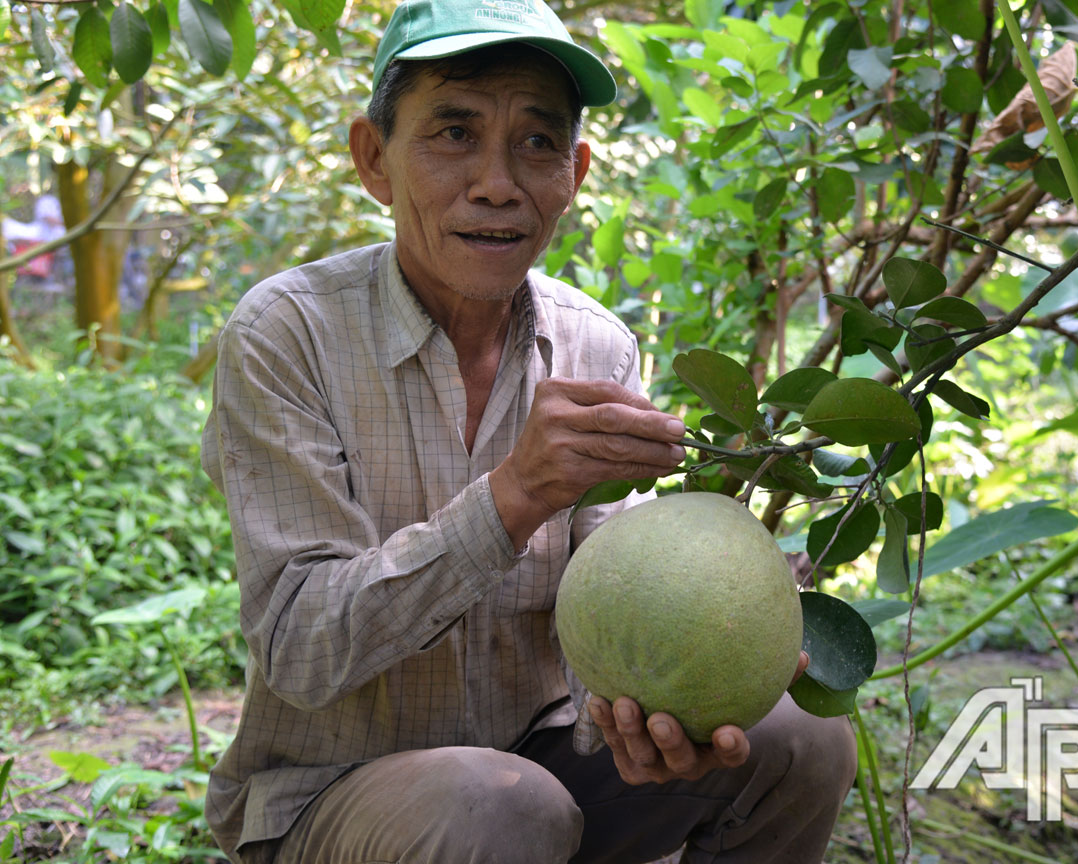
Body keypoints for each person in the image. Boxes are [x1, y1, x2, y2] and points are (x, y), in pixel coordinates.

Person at [199, 0, 857, 861]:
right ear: (374, 158)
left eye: (538, 143)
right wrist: (514, 495)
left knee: (799, 741)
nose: (499, 183)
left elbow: (616, 601)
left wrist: (660, 704)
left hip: (546, 768)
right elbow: (300, 647)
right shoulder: (287, 334)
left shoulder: (597, 347)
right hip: (333, 796)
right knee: (496, 807)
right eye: (454, 133)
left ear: (575, 172)